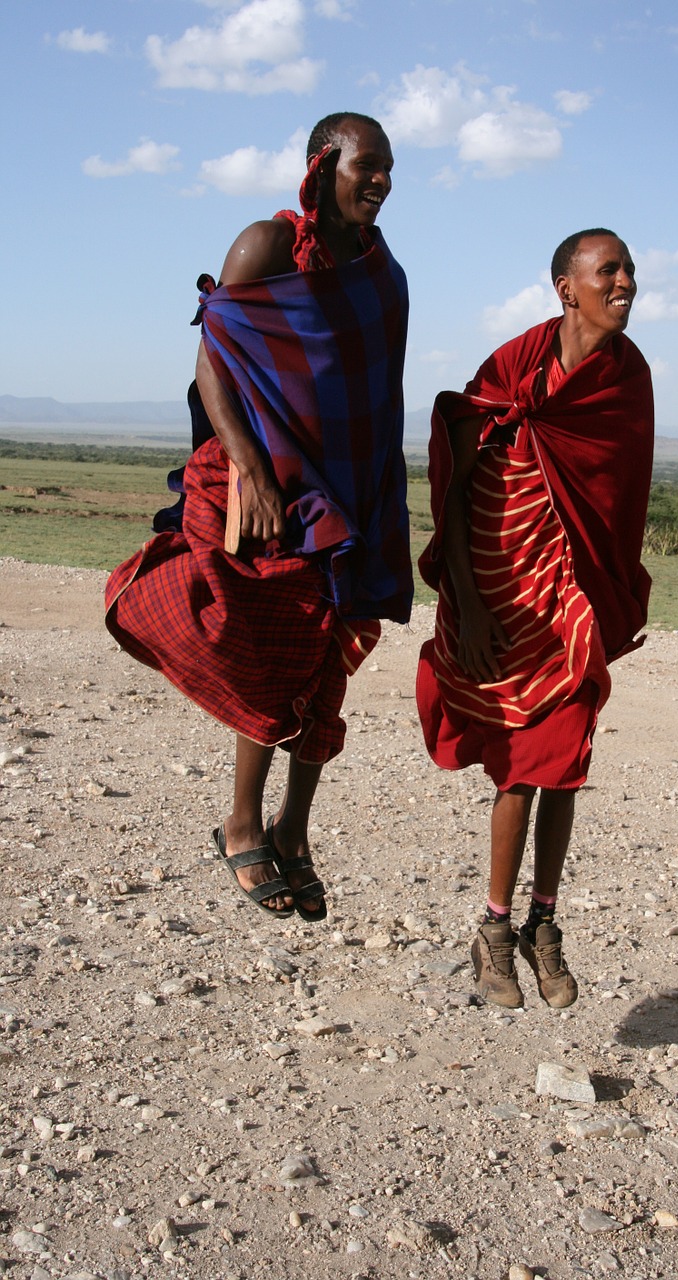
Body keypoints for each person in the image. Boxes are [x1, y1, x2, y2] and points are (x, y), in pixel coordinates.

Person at [106, 112, 412, 922]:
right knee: (277, 649)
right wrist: (248, 464)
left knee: (331, 664)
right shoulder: (264, 249)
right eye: (367, 167)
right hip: (273, 483)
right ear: (322, 166)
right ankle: (242, 819)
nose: (381, 182)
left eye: (389, 169)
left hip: (353, 489)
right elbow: (214, 355)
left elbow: (377, 395)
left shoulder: (382, 273)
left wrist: (383, 500)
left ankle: (296, 830)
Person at [416, 229, 654, 1008]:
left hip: (570, 597)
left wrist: (612, 594)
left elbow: (618, 501)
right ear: (566, 286)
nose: (624, 282)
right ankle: (493, 931)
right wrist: (469, 601)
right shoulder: (511, 368)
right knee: (520, 765)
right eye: (607, 271)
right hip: (500, 592)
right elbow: (452, 485)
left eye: (627, 270)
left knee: (565, 760)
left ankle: (543, 929)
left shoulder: (627, 377)